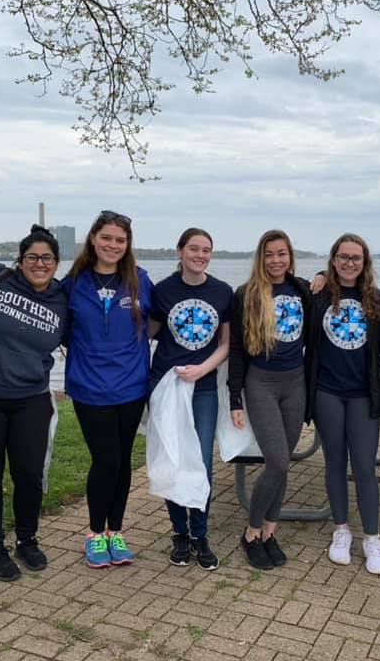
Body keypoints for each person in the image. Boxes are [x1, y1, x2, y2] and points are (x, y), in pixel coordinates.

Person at [0, 225, 69, 581]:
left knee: (29, 475)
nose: (39, 264)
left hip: (31, 398)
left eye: (47, 258)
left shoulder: (63, 299)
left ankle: (26, 539)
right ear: (20, 260)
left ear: (57, 263)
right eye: (32, 257)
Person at [62, 210, 152, 568]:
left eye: (120, 240)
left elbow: (160, 319)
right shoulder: (73, 283)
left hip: (131, 385)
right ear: (93, 239)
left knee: (123, 458)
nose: (113, 245)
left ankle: (116, 531)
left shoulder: (139, 280)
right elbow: (62, 328)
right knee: (106, 459)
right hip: (89, 387)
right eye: (107, 238)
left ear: (127, 244)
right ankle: (95, 533)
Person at [148, 228, 233, 571]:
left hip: (204, 386)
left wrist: (202, 369)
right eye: (194, 249)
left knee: (200, 461)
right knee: (172, 458)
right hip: (166, 386)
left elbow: (226, 344)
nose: (200, 255)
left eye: (206, 250)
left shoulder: (222, 292)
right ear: (180, 251)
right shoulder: (162, 291)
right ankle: (179, 533)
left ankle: (200, 534)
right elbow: (145, 334)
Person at [229, 229, 312, 570]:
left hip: (296, 382)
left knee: (284, 460)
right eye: (269, 254)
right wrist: (234, 398)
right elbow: (236, 349)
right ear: (260, 258)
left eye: (282, 253)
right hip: (261, 383)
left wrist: (323, 275)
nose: (276, 260)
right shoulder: (246, 293)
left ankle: (269, 531)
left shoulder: (302, 289)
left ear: (290, 256)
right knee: (276, 461)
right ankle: (250, 533)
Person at [305, 233, 380, 574]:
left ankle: (372, 537)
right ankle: (341, 530)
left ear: (364, 262)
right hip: (327, 392)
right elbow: (288, 286)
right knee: (335, 463)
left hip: (363, 395)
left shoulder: (376, 298)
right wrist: (317, 277)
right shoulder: (319, 295)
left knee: (365, 466)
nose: (349, 263)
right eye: (343, 257)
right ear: (333, 260)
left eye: (356, 258)